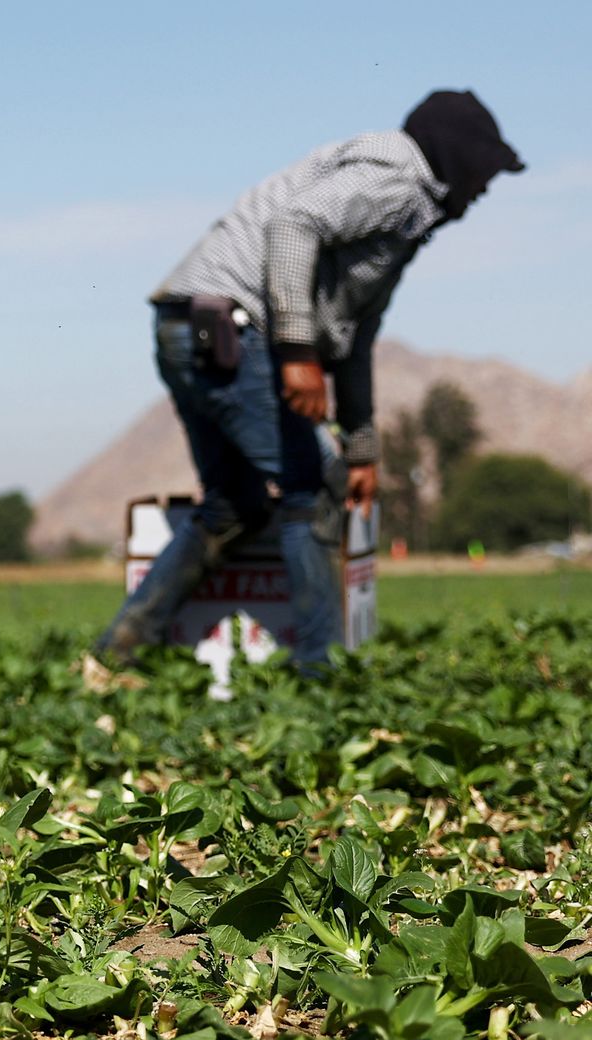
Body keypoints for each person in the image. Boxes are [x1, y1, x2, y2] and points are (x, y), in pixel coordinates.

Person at [96, 90, 522, 672]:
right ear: (458, 157)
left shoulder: (404, 209)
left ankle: (115, 655)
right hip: (233, 331)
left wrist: (364, 446)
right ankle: (319, 675)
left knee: (234, 506)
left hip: (186, 326)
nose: (484, 190)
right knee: (314, 490)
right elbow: (292, 225)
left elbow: (354, 337)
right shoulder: (401, 179)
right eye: (485, 173)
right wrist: (296, 349)